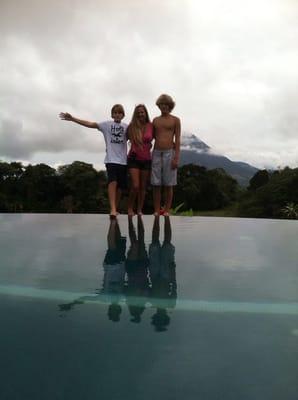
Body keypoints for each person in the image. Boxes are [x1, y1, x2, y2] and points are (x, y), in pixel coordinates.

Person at [59, 104, 128, 218]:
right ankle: (113, 209)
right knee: (113, 182)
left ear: (123, 115)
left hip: (123, 161)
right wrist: (73, 119)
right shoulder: (106, 125)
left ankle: (116, 207)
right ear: (112, 114)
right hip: (111, 160)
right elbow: (91, 124)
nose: (117, 114)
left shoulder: (126, 127)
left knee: (120, 188)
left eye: (119, 113)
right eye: (115, 112)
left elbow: (136, 134)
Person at [151, 94, 181, 216]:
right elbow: (150, 136)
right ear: (159, 105)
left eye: (166, 104)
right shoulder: (155, 120)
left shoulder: (175, 120)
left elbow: (178, 139)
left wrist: (176, 157)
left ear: (170, 106)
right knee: (156, 184)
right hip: (156, 152)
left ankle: (167, 210)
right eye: (161, 104)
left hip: (170, 152)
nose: (164, 106)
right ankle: (157, 210)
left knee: (169, 184)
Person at [127, 104, 153, 216]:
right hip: (134, 159)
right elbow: (122, 139)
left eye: (142, 112)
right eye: (138, 113)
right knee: (136, 186)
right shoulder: (131, 126)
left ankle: (139, 210)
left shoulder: (151, 126)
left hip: (146, 159)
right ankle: (129, 208)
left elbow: (159, 137)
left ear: (146, 113)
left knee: (143, 187)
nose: (140, 114)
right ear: (135, 115)